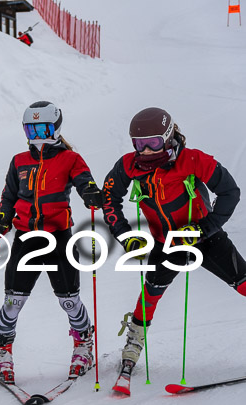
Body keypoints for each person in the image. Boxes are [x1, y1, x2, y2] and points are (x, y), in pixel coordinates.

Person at [102, 107, 244, 380]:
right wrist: (124, 234)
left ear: (167, 137)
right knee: (151, 294)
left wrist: (203, 229)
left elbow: (230, 192)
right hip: (165, 242)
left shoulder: (193, 159)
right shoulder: (128, 166)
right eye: (138, 144)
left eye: (152, 143)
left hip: (204, 237)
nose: (144, 151)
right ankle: (133, 346)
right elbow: (109, 198)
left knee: (243, 282)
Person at [0, 101, 103, 384]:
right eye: (31, 128)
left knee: (69, 301)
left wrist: (90, 193)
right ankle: (3, 348)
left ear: (56, 128)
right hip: (26, 238)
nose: (37, 133)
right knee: (13, 300)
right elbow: (9, 196)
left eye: (44, 128)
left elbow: (84, 181)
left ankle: (83, 345)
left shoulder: (70, 158)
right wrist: (2, 218)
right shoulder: (19, 161)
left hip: (59, 236)